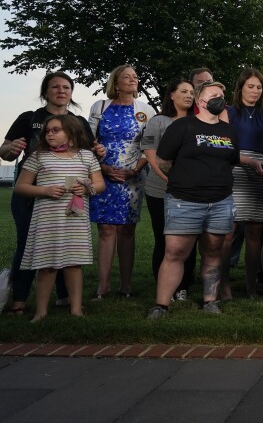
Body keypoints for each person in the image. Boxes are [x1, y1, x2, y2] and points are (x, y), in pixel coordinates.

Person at [1, 72, 101, 315]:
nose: (61, 90)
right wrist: (10, 149)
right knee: (29, 244)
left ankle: (65, 297)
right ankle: (20, 299)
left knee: (65, 244)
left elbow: (87, 157)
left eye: (66, 87)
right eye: (55, 86)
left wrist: (100, 151)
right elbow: (4, 151)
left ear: (71, 92)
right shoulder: (29, 118)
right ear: (45, 92)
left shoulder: (78, 122)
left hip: (67, 197)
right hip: (30, 192)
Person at [147, 81, 240, 318]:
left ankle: (210, 301)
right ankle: (161, 305)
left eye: (222, 94)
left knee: (213, 252)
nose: (220, 97)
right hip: (185, 200)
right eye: (214, 94)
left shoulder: (229, 131)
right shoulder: (183, 126)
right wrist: (185, 180)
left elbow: (231, 162)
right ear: (200, 101)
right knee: (175, 252)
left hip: (220, 201)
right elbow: (163, 161)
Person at [13, 115, 106, 322]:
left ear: (71, 134)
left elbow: (100, 184)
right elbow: (20, 186)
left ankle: (76, 310)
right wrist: (44, 190)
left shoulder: (86, 157)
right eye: (47, 131)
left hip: (75, 219)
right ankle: (41, 312)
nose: (49, 134)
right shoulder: (39, 157)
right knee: (47, 266)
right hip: (48, 220)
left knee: (74, 264)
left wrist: (86, 188)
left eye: (56, 130)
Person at [88, 65, 154, 299]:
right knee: (106, 229)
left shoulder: (145, 111)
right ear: (115, 83)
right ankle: (102, 286)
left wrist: (133, 171)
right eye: (126, 77)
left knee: (127, 230)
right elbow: (89, 142)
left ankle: (126, 285)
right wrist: (103, 167)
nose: (132, 79)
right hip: (103, 174)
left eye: (135, 76)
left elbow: (150, 147)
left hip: (132, 177)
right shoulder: (100, 106)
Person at [220, 68, 263, 299]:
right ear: (241, 88)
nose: (255, 91)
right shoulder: (228, 112)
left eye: (259, 87)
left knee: (256, 232)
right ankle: (224, 286)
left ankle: (251, 287)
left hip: (262, 172)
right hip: (234, 169)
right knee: (229, 231)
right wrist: (245, 160)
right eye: (250, 86)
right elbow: (223, 146)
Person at [142, 79, 195, 300]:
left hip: (190, 192)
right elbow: (149, 152)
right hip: (159, 190)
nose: (189, 95)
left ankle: (183, 287)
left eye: (192, 92)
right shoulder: (158, 121)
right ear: (171, 95)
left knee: (187, 240)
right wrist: (165, 175)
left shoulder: (197, 122)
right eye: (183, 91)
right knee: (163, 239)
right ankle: (164, 287)